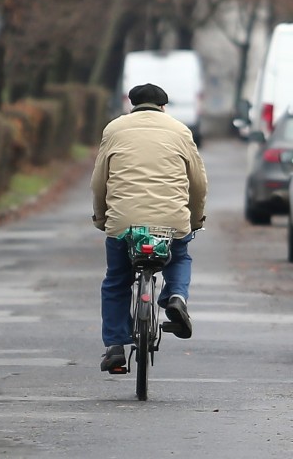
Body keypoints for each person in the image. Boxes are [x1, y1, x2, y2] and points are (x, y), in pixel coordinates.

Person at [91, 83, 208, 373]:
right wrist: (194, 220)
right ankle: (176, 297)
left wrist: (101, 216)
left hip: (124, 222)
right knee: (179, 256)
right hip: (170, 221)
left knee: (117, 279)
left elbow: (98, 181)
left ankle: (116, 346)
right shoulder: (180, 131)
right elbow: (198, 183)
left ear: (132, 105)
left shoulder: (114, 130)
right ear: (163, 107)